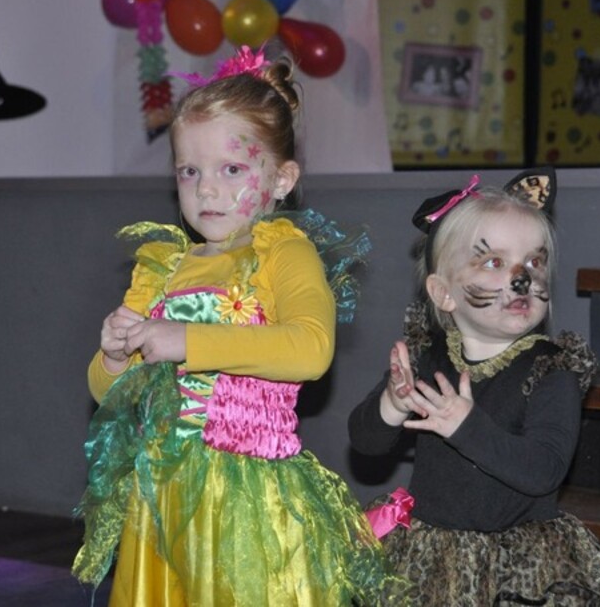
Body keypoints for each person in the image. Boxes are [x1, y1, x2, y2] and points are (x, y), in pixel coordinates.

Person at [72, 46, 400, 606]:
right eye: (189, 171)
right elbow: (109, 395)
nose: (206, 189)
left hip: (245, 498)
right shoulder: (163, 267)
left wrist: (186, 340)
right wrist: (114, 357)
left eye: (231, 169)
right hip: (161, 495)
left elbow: (311, 348)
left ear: (281, 179)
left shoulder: (282, 252)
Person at [348, 169, 600, 605]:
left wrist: (466, 427)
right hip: (431, 560)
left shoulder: (551, 372)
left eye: (534, 262)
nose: (522, 277)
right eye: (493, 262)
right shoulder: (428, 358)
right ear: (443, 293)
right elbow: (365, 442)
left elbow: (544, 470)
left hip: (518, 570)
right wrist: (392, 402)